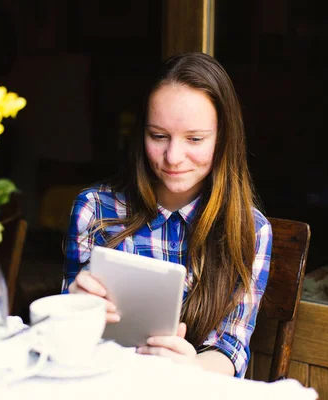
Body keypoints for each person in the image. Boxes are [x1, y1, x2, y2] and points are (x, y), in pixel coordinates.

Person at [62, 52, 272, 378]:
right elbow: (64, 340)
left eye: (195, 139)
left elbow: (230, 350)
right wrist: (72, 308)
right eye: (158, 136)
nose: (173, 157)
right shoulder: (96, 209)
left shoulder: (251, 231)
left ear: (224, 139)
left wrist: (191, 368)